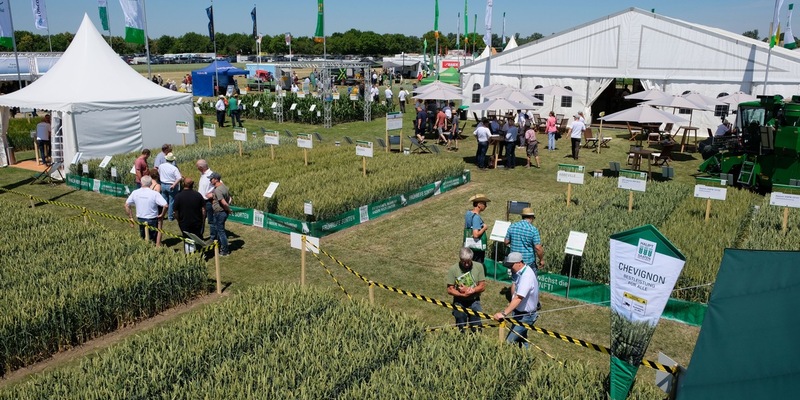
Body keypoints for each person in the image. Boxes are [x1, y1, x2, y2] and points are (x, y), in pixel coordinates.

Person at [493, 252, 540, 348]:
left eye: (511, 265)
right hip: (520, 314)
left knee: (507, 344)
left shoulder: (526, 276)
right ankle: (526, 358)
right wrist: (511, 304)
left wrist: (503, 313)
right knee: (522, 339)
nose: (510, 268)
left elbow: (519, 298)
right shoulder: (521, 272)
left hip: (525, 317)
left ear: (519, 263)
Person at [446, 247, 486, 332]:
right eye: (464, 262)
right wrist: (462, 294)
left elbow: (482, 286)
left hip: (474, 301)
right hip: (459, 301)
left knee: (477, 326)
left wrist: (472, 290)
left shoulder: (479, 267)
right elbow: (450, 289)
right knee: (460, 325)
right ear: (460, 259)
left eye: (468, 261)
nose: (467, 264)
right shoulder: (453, 269)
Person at [125, 175, 167, 244]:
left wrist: (131, 217)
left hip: (140, 219)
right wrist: (162, 214)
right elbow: (165, 205)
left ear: (141, 183)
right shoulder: (155, 194)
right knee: (152, 240)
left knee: (143, 238)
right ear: (150, 184)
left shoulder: (135, 192)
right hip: (152, 219)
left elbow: (126, 205)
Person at [209, 172, 232, 256]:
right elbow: (230, 198)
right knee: (219, 230)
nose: (210, 180)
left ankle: (225, 251)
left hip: (219, 212)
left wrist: (228, 209)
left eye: (211, 179)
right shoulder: (224, 187)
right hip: (223, 212)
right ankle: (219, 246)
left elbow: (224, 203)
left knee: (221, 232)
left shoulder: (218, 190)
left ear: (215, 179)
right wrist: (227, 208)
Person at [464, 193, 490, 263]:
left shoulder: (468, 213)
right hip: (476, 248)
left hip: (469, 245)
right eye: (484, 204)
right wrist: (484, 228)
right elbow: (475, 234)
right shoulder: (476, 217)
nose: (486, 206)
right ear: (479, 205)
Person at [158, 152, 182, 221]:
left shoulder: (161, 166)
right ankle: (170, 216)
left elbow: (159, 173)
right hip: (171, 184)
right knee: (172, 201)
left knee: (164, 200)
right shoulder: (174, 168)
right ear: (172, 160)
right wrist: (174, 185)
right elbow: (179, 178)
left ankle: (162, 214)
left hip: (163, 184)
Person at [196, 159, 215, 237]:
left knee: (211, 221)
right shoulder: (202, 174)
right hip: (201, 201)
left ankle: (213, 238)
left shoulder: (212, 175)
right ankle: (200, 235)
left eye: (197, 167)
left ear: (201, 167)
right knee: (200, 219)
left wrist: (213, 194)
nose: (197, 168)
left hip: (208, 202)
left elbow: (220, 186)